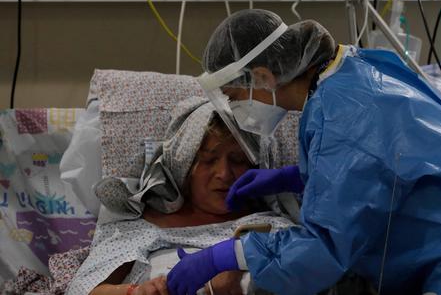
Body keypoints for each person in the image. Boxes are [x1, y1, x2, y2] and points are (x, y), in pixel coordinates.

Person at [167, 10, 441, 295]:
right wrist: (294, 177)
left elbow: (324, 250)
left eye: (233, 95)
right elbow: (380, 166)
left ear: (262, 75)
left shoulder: (346, 112)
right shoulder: (351, 72)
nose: (236, 108)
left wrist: (225, 255)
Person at [67, 97, 292, 295]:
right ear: (184, 167)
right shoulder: (139, 226)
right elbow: (85, 291)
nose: (223, 174)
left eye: (238, 160)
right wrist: (136, 292)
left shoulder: (274, 228)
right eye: (208, 160)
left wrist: (239, 262)